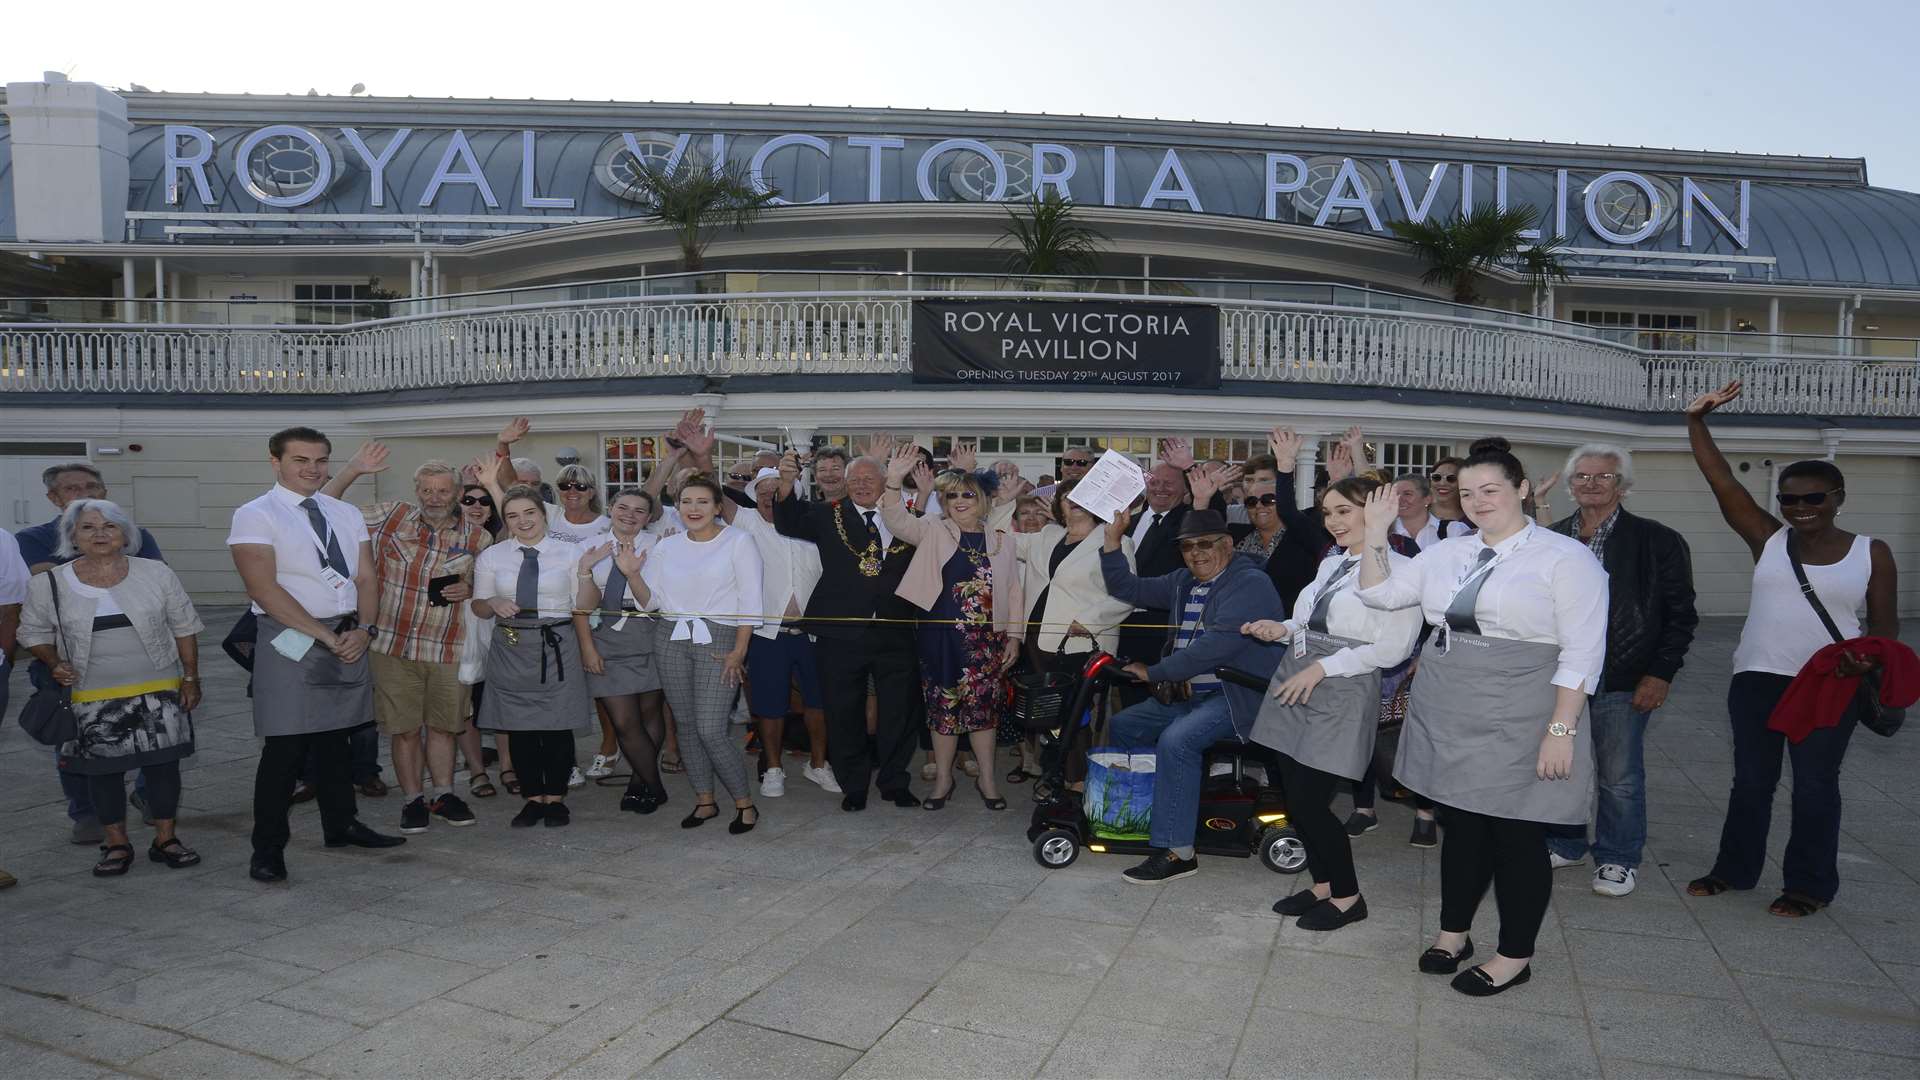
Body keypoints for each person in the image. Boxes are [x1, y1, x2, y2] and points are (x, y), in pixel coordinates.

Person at [1355, 440, 1607, 996]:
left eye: (1490, 490)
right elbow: (1382, 596)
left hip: (1525, 703)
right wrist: (1376, 533)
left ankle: (1515, 954)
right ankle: (1454, 933)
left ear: (1521, 490)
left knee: (1516, 833)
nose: (1476, 501)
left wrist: (1561, 730)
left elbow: (1584, 652)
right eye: (1466, 493)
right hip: (1450, 698)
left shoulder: (1566, 558)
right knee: (1464, 827)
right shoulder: (1447, 553)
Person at [1683, 380, 1899, 917]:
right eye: (1789, 499)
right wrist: (1696, 421)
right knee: (1752, 781)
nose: (1801, 508)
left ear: (1838, 499)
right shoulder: (1768, 538)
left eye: (1813, 498)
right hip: (1758, 677)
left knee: (1814, 785)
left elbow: (1887, 630)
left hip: (1832, 682)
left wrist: (1865, 660)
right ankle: (1734, 869)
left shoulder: (1872, 552)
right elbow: (1721, 479)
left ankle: (1808, 884)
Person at [1241, 478, 1423, 930]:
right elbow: (1308, 621)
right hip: (1296, 678)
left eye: (1344, 511)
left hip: (1340, 687)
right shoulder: (1333, 564)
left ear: (1376, 512)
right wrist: (1279, 629)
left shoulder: (1402, 571)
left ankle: (1348, 896)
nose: (1333, 521)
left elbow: (1393, 649)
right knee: (1294, 798)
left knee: (1310, 803)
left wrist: (1325, 668)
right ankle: (1322, 884)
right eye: (1327, 512)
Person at [229, 427, 406, 884]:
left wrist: (365, 630)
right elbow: (263, 589)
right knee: (284, 748)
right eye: (300, 460)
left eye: (320, 460)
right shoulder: (255, 515)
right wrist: (324, 638)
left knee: (336, 740)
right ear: (276, 462)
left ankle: (341, 825)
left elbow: (367, 578)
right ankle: (267, 848)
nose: (312, 468)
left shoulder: (344, 512)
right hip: (290, 637)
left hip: (348, 632)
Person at [1540, 443, 1698, 897]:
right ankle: (1565, 843)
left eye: (1602, 477)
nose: (1590, 484)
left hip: (1622, 679)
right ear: (1571, 485)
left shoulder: (1658, 540)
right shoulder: (1553, 538)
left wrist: (1660, 673)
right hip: (1561, 676)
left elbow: (1680, 615)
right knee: (1560, 766)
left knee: (1619, 775)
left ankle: (1617, 857)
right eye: (1581, 477)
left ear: (1623, 486)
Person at [1099, 507, 1286, 884]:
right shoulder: (1184, 581)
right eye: (1187, 547)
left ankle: (1177, 851)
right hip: (1192, 694)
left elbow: (1217, 646)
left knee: (1177, 741)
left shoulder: (1248, 583)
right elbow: (1128, 588)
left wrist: (1156, 672)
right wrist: (1111, 542)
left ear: (1228, 545)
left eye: (1205, 544)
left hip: (1235, 695)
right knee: (1125, 724)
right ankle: (1144, 813)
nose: (1196, 553)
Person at [20, 500, 204, 877]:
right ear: (72, 536)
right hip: (90, 695)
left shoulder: (155, 573)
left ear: (125, 534)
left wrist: (190, 677)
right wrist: (54, 663)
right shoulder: (49, 583)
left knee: (163, 769)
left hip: (159, 689)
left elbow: (184, 626)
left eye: (109, 527)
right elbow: (32, 633)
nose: (99, 534)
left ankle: (165, 839)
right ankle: (117, 843)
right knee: (102, 773)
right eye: (88, 527)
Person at [325, 445, 491, 835]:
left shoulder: (476, 536)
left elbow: (490, 584)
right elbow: (324, 506)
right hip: (392, 646)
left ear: (457, 493)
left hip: (447, 647)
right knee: (403, 730)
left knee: (443, 728)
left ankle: (444, 794)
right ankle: (413, 799)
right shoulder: (389, 516)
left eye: (443, 491)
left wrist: (469, 587)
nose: (434, 498)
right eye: (427, 490)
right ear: (417, 491)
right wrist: (353, 469)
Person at [15, 462, 166, 845]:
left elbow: (157, 584)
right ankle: (86, 812)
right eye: (72, 488)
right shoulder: (32, 538)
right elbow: (46, 586)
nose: (84, 494)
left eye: (92, 486)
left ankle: (149, 795)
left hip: (138, 652)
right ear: (53, 498)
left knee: (155, 729)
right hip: (68, 658)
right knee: (77, 735)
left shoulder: (138, 535)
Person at [773, 449, 924, 811]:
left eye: (869, 479)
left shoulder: (912, 519)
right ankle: (853, 783)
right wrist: (786, 481)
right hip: (839, 632)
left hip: (896, 631)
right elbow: (787, 520)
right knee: (843, 711)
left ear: (886, 481)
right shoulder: (826, 515)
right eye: (854, 479)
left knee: (899, 712)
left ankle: (893, 781)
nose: (861, 485)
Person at [878, 449, 1023, 810]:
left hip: (986, 642)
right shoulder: (931, 529)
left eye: (968, 494)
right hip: (938, 639)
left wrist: (1016, 637)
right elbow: (896, 520)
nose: (959, 501)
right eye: (952, 495)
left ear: (985, 500)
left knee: (983, 713)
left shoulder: (1002, 540)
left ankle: (988, 781)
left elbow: (1013, 592)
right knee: (942, 710)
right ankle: (943, 780)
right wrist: (893, 481)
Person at [623, 475, 763, 832]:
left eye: (702, 502)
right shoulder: (667, 547)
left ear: (718, 507)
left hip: (720, 638)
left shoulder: (739, 541)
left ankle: (744, 803)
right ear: (677, 506)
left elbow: (750, 600)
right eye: (686, 502)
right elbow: (650, 602)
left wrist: (740, 651)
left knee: (711, 729)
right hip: (670, 637)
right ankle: (705, 800)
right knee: (685, 725)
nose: (694, 509)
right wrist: (632, 574)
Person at [471, 487, 606, 828]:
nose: (523, 521)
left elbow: (586, 605)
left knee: (557, 727)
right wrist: (493, 603)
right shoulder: (493, 555)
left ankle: (556, 798)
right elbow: (479, 605)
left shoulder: (571, 551)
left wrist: (586, 571)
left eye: (529, 512)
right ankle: (532, 798)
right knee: (520, 729)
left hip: (557, 643)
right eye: (513, 515)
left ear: (543, 515)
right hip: (512, 645)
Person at [722, 469, 837, 798]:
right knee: (769, 705)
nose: (769, 496)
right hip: (766, 634)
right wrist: (697, 454)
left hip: (814, 633)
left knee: (819, 702)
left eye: (777, 490)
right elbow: (711, 491)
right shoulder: (745, 521)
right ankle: (773, 767)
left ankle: (818, 765)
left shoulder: (814, 523)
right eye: (762, 491)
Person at [580, 490, 674, 813]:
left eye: (639, 511)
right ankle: (655, 785)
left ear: (649, 517)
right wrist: (587, 648)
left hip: (649, 632)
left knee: (650, 713)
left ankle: (639, 782)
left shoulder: (662, 546)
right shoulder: (587, 547)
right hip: (606, 635)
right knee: (623, 720)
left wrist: (633, 571)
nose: (630, 515)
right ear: (610, 509)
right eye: (623, 508)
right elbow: (579, 604)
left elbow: (661, 598)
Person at [1390, 474, 1444, 551]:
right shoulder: (1384, 531)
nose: (1399, 499)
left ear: (1428, 499)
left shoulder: (1451, 530)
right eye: (1396, 494)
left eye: (1407, 494)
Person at [1428, 456, 1473, 535]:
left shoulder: (1475, 519)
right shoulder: (1418, 513)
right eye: (1436, 477)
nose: (1442, 483)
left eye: (1451, 479)